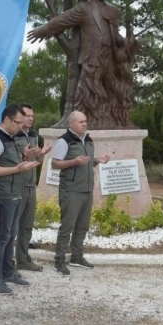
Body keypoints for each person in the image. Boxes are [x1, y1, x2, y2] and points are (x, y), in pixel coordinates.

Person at [26, 0, 139, 128]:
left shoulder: (112, 11)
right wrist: (42, 30)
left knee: (113, 87)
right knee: (87, 89)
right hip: (92, 56)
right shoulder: (84, 8)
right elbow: (61, 20)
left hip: (109, 56)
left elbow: (115, 35)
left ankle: (120, 119)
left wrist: (129, 43)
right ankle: (83, 120)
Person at [0, 104, 40, 292]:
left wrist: (25, 158)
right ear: (7, 120)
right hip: (3, 196)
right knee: (2, 237)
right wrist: (16, 169)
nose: (20, 127)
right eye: (17, 123)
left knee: (10, 236)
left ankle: (8, 272)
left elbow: (12, 162)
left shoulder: (11, 138)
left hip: (15, 194)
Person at [50, 111, 110, 275]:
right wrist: (74, 162)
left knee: (82, 226)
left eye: (85, 121)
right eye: (81, 122)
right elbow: (55, 164)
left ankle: (77, 257)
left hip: (87, 190)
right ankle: (59, 261)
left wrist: (98, 160)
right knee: (67, 226)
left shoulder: (88, 140)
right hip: (71, 190)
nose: (85, 124)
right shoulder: (64, 141)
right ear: (71, 124)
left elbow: (87, 162)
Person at [14, 103, 52, 272]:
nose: (30, 118)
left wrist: (42, 155)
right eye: (27, 115)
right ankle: (6, 263)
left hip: (30, 186)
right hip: (16, 186)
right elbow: (7, 160)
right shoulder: (12, 135)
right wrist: (23, 155)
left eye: (32, 116)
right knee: (11, 227)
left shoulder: (33, 135)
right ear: (19, 116)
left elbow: (37, 163)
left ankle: (22, 259)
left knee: (27, 225)